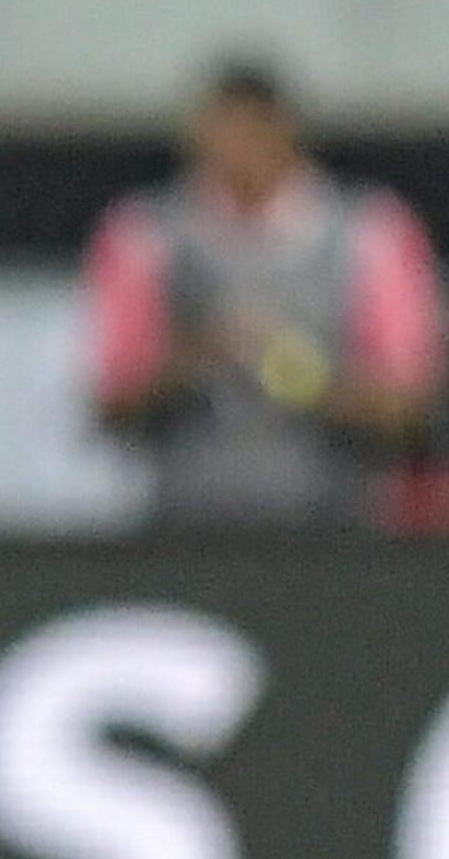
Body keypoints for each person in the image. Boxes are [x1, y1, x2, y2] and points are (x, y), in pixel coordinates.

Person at [84, 61, 444, 525]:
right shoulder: (143, 236)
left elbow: (410, 408)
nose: (232, 155)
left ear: (282, 132)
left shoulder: (372, 234)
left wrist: (299, 374)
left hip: (337, 535)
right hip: (184, 530)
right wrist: (197, 357)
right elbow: (110, 403)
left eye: (247, 134)